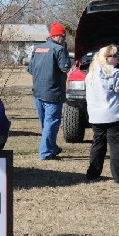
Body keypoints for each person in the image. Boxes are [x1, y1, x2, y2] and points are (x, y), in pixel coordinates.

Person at [27, 22, 71, 160]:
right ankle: (46, 153)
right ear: (57, 35)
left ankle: (52, 147)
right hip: (53, 93)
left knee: (45, 123)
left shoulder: (38, 49)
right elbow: (65, 68)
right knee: (51, 123)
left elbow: (31, 71)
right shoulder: (59, 49)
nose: (64, 39)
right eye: (63, 36)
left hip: (38, 92)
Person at [85, 44, 119, 182]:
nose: (117, 58)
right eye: (114, 56)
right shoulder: (115, 73)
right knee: (117, 146)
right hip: (113, 115)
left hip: (96, 116)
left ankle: (93, 173)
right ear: (106, 58)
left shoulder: (90, 74)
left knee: (98, 144)